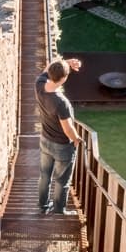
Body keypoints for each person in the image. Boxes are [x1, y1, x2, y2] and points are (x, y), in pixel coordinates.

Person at [35, 56, 83, 215]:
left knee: (44, 175)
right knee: (62, 180)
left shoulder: (39, 85)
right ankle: (59, 210)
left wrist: (65, 63)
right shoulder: (61, 102)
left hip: (45, 140)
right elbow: (68, 128)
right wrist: (76, 139)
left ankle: (42, 206)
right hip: (62, 146)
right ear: (64, 79)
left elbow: (48, 69)